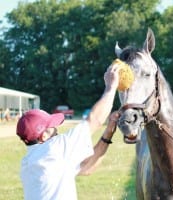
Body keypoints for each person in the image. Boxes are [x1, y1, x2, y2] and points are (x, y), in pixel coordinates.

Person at [16, 62, 121, 200]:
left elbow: (86, 167)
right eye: (52, 126)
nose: (56, 130)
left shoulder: (28, 163)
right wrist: (111, 87)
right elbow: (95, 120)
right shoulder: (55, 149)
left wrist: (108, 132)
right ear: (44, 136)